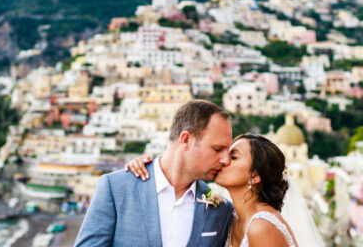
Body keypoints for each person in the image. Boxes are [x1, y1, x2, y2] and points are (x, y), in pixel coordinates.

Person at [74, 100, 234, 247]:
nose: (226, 160)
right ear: (186, 140)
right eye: (218, 149)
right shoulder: (116, 188)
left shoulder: (222, 209)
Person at [128, 134, 303, 247]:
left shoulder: (262, 227)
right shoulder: (228, 215)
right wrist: (148, 169)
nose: (224, 160)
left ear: (255, 176)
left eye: (233, 157)